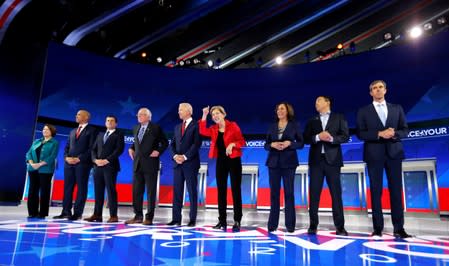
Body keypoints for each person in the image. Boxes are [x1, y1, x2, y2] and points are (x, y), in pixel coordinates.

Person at [356, 80, 411, 238]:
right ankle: (378, 228)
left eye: (380, 87)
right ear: (371, 93)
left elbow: (405, 129)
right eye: (374, 88)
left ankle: (399, 228)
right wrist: (379, 134)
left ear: (385, 90)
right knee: (375, 191)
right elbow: (361, 133)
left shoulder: (397, 108)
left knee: (395, 191)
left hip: (394, 153)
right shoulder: (363, 111)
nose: (378, 90)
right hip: (374, 155)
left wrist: (394, 133)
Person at [303, 96, 349, 236]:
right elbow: (305, 138)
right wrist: (318, 137)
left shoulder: (339, 117)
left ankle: (340, 227)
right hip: (316, 161)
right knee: (314, 194)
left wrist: (332, 139)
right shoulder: (312, 120)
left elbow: (345, 136)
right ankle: (313, 225)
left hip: (333, 161)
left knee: (336, 194)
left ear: (327, 102)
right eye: (315, 101)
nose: (316, 103)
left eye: (319, 101)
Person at [200, 105, 245, 231]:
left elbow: (242, 141)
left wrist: (233, 144)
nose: (215, 116)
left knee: (236, 190)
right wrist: (204, 115)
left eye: (217, 113)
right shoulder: (213, 129)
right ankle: (222, 221)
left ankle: (237, 220)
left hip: (234, 160)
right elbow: (202, 130)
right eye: (213, 115)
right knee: (221, 191)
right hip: (221, 162)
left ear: (224, 114)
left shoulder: (233, 126)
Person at [264, 102, 304, 233]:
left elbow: (301, 143)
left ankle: (290, 225)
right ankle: (272, 225)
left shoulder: (294, 125)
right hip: (273, 163)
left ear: (287, 111)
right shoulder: (272, 126)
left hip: (289, 163)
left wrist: (290, 144)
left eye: (282, 109)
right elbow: (266, 145)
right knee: (274, 194)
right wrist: (272, 145)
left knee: (289, 193)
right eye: (277, 109)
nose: (279, 111)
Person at [126, 107, 168, 225]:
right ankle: (138, 216)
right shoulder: (136, 128)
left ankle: (149, 217)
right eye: (138, 114)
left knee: (150, 192)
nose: (139, 116)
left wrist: (158, 151)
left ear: (149, 117)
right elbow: (137, 142)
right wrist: (131, 148)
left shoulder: (155, 128)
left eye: (142, 114)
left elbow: (165, 142)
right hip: (137, 164)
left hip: (150, 164)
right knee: (136, 191)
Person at [54, 110, 97, 220]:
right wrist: (66, 157)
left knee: (81, 189)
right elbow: (67, 147)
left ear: (86, 117)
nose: (76, 116)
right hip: (69, 164)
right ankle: (65, 212)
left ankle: (77, 213)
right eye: (76, 114)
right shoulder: (72, 131)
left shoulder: (92, 130)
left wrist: (79, 158)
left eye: (78, 114)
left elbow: (92, 148)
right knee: (67, 188)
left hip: (83, 164)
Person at [85, 115, 125, 223]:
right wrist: (95, 160)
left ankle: (113, 215)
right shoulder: (100, 134)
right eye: (107, 120)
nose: (109, 122)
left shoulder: (119, 135)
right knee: (98, 191)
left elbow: (119, 150)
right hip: (97, 166)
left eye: (112, 121)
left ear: (116, 123)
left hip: (110, 166)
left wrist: (107, 160)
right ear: (105, 122)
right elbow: (93, 150)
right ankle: (97, 215)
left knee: (111, 191)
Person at [167, 103, 201, 227]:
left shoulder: (197, 126)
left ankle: (192, 219)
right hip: (177, 164)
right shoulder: (177, 127)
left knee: (192, 191)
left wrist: (185, 157)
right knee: (177, 191)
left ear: (188, 111)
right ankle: (176, 219)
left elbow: (196, 144)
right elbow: (172, 144)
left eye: (180, 110)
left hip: (190, 163)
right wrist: (176, 156)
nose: (179, 112)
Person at [25, 124, 59, 219]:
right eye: (44, 129)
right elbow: (28, 154)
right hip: (33, 169)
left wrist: (39, 164)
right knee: (32, 191)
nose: (44, 131)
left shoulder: (54, 143)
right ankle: (32, 212)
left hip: (45, 170)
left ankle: (42, 213)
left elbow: (52, 157)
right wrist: (32, 163)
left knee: (44, 191)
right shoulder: (37, 141)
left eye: (47, 129)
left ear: (52, 131)